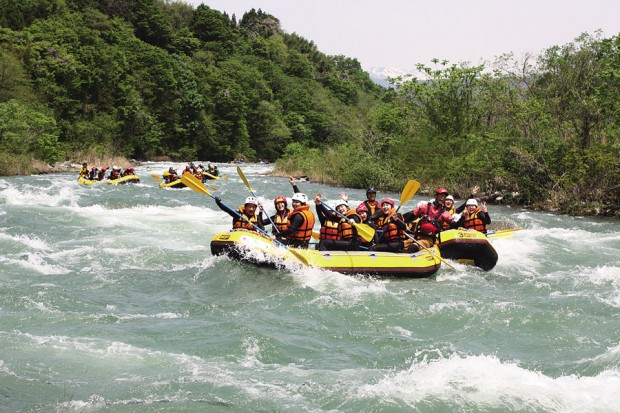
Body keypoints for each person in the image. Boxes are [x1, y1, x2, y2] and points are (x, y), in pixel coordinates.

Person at [402, 188, 455, 252]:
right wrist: (399, 219)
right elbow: (410, 216)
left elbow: (454, 224)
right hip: (416, 236)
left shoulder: (444, 213)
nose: (442, 198)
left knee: (412, 247)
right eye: (441, 195)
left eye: (444, 196)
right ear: (436, 196)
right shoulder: (424, 207)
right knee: (399, 246)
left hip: (429, 239)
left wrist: (463, 217)